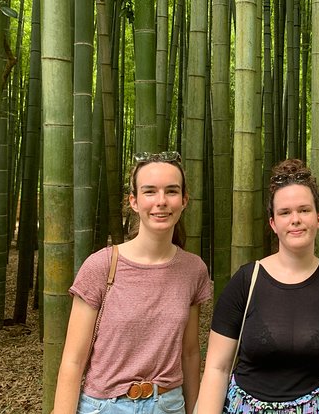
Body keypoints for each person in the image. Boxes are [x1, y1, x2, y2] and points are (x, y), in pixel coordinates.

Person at [197, 158, 319, 413]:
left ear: (318, 218)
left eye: (304, 210)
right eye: (285, 213)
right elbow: (216, 369)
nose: (295, 219)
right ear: (273, 223)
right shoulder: (245, 281)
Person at [52, 151, 211, 414]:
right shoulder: (101, 265)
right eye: (150, 192)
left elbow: (190, 354)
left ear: (184, 200)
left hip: (169, 405)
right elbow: (73, 360)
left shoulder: (193, 270)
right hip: (104, 407)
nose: (161, 201)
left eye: (171, 191)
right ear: (134, 202)